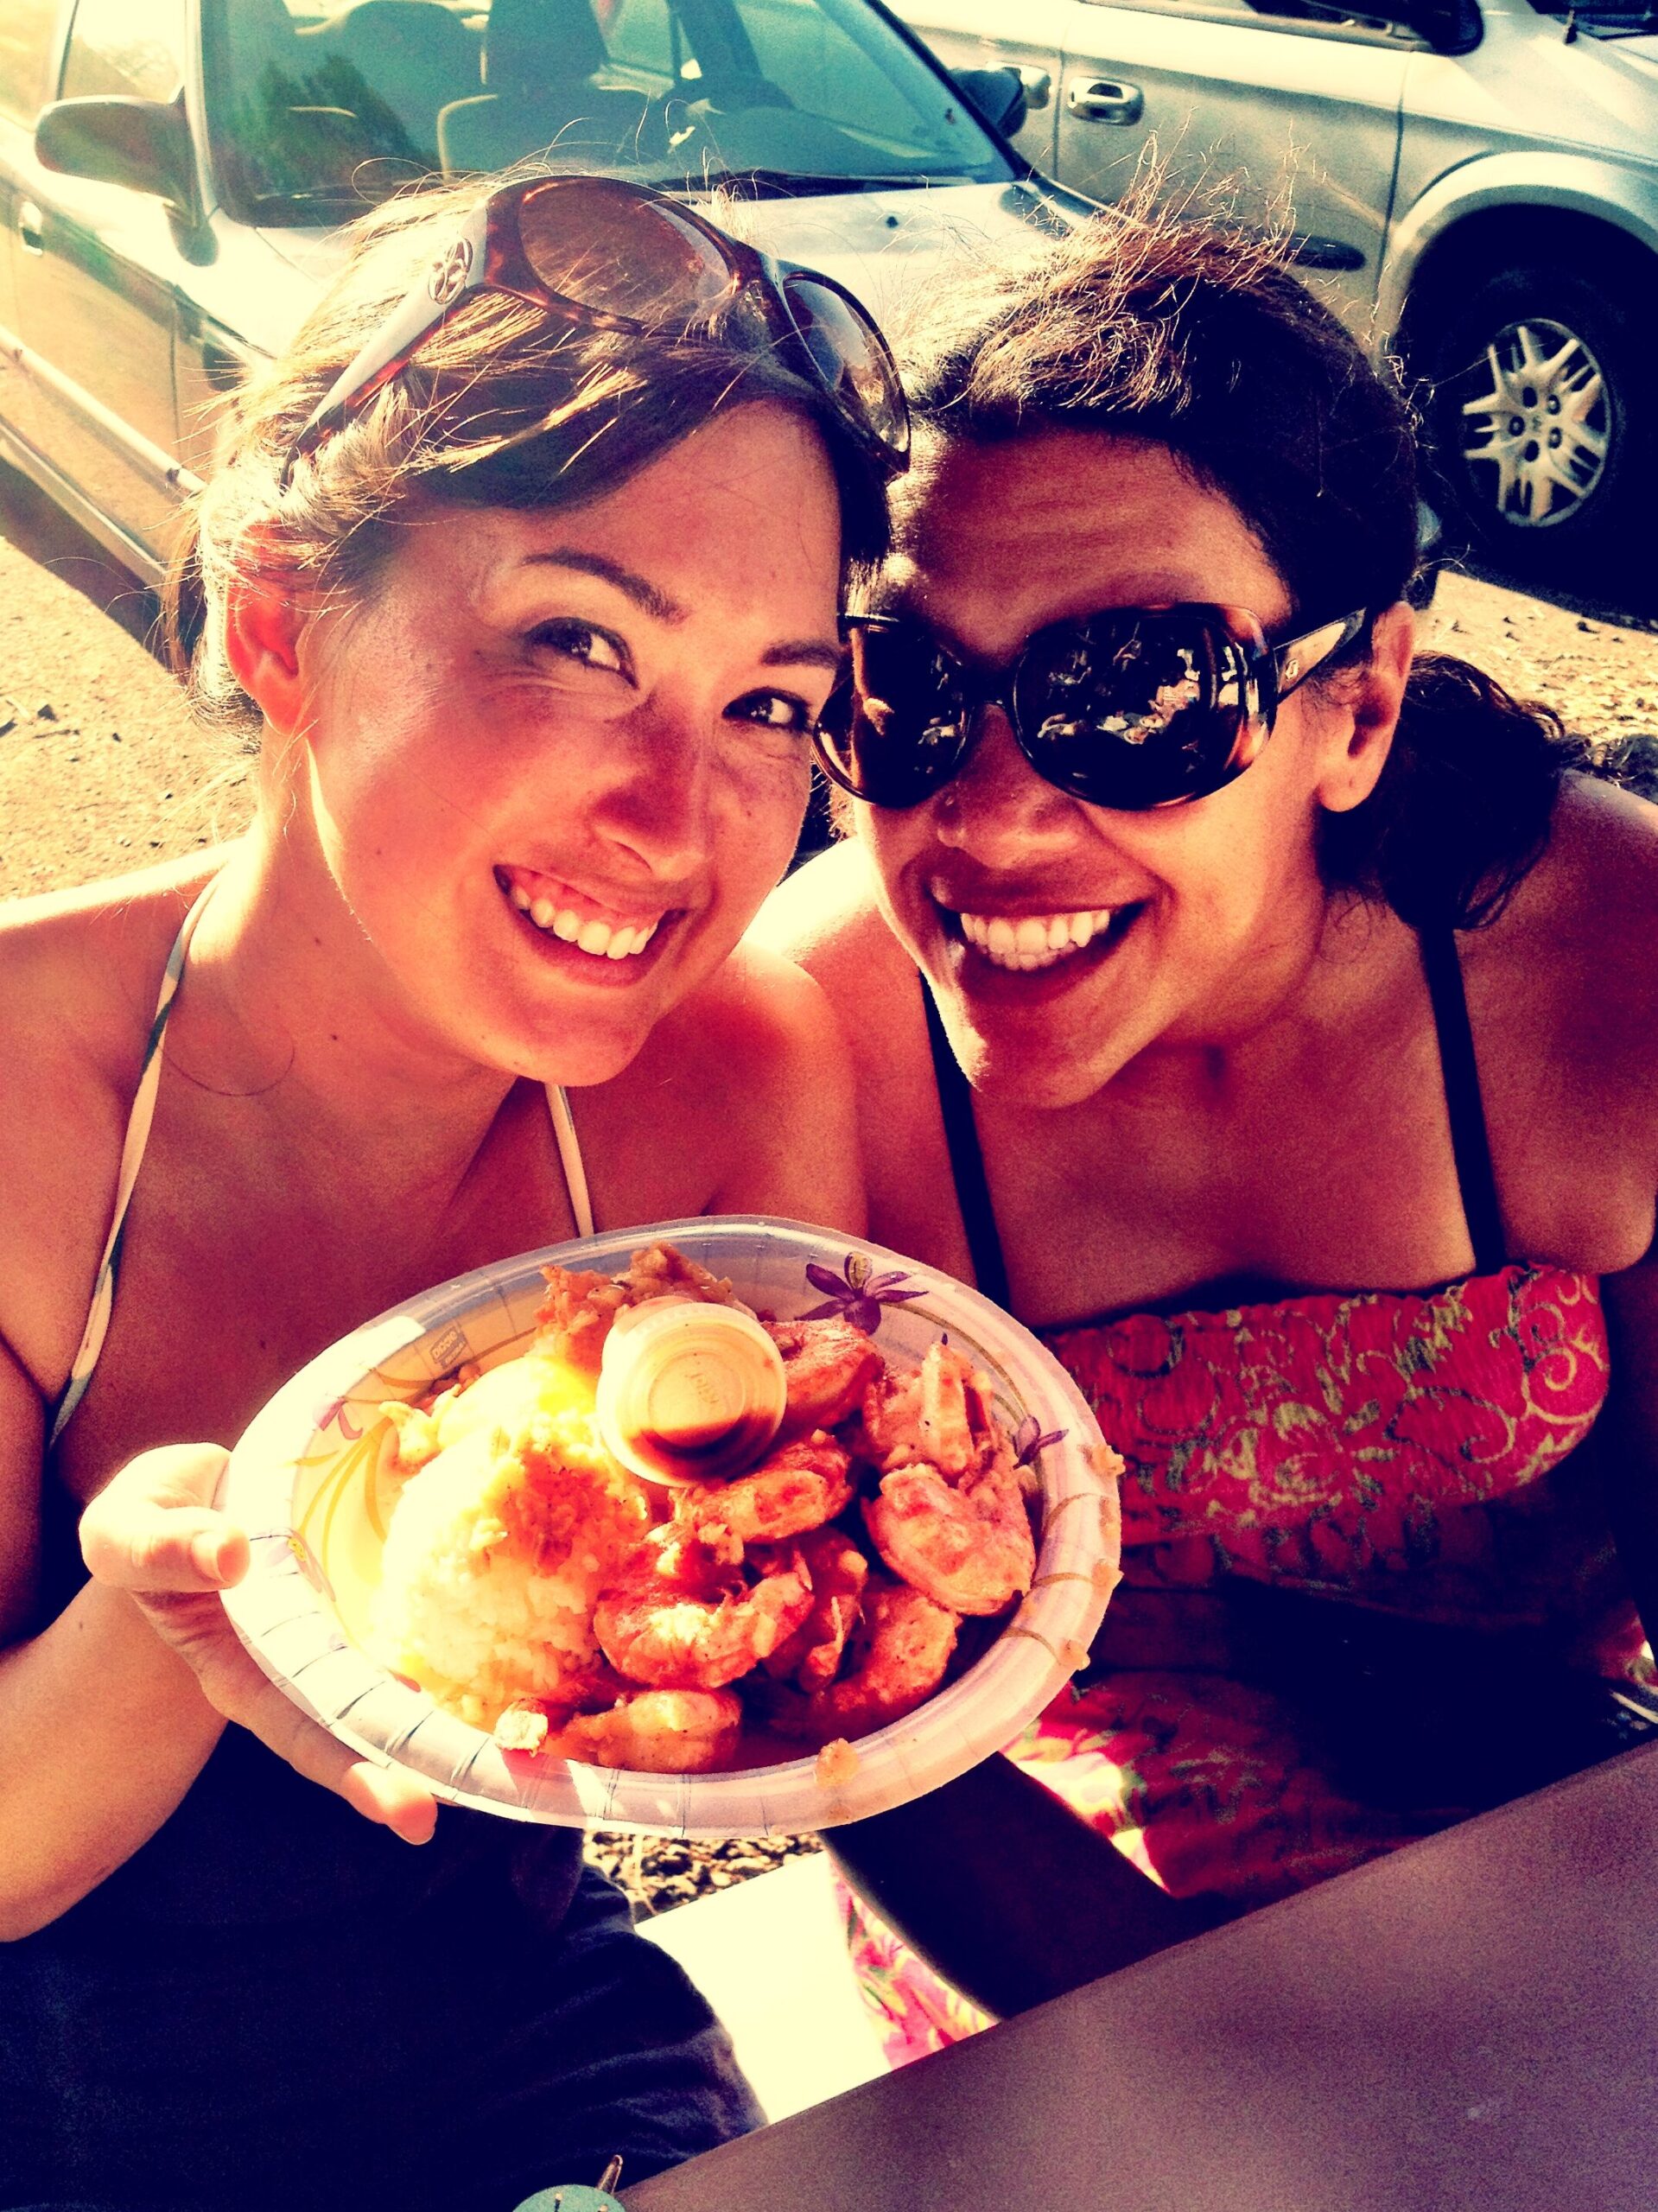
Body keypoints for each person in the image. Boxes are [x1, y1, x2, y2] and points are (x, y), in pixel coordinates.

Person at [0, 168, 904, 2210]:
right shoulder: (20, 1099)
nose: (683, 823)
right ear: (275, 623)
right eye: (580, 641)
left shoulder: (740, 1083)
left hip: (540, 2078)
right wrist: (172, 1612)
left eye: (771, 701)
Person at [758, 202, 1658, 2061]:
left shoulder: (1601, 963)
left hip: (1553, 1851)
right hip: (1049, 1935)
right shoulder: (805, 1055)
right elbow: (850, 1731)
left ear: (1361, 705)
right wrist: (1247, 2076)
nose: (990, 821)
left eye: (1138, 693)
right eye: (909, 690)